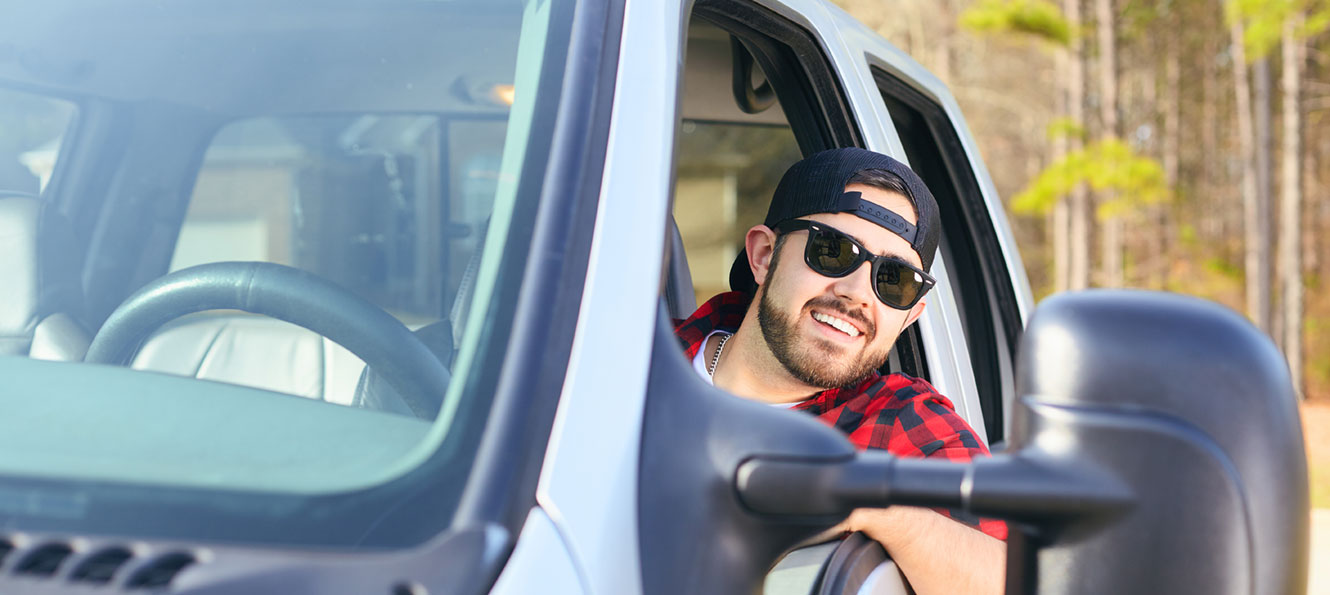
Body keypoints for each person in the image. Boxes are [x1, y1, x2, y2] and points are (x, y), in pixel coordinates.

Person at [674, 147, 1005, 595]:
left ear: (909, 316)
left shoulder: (901, 424)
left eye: (894, 281)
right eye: (832, 251)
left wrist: (872, 503)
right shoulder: (621, 359)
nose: (856, 295)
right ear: (764, 255)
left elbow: (1026, 578)